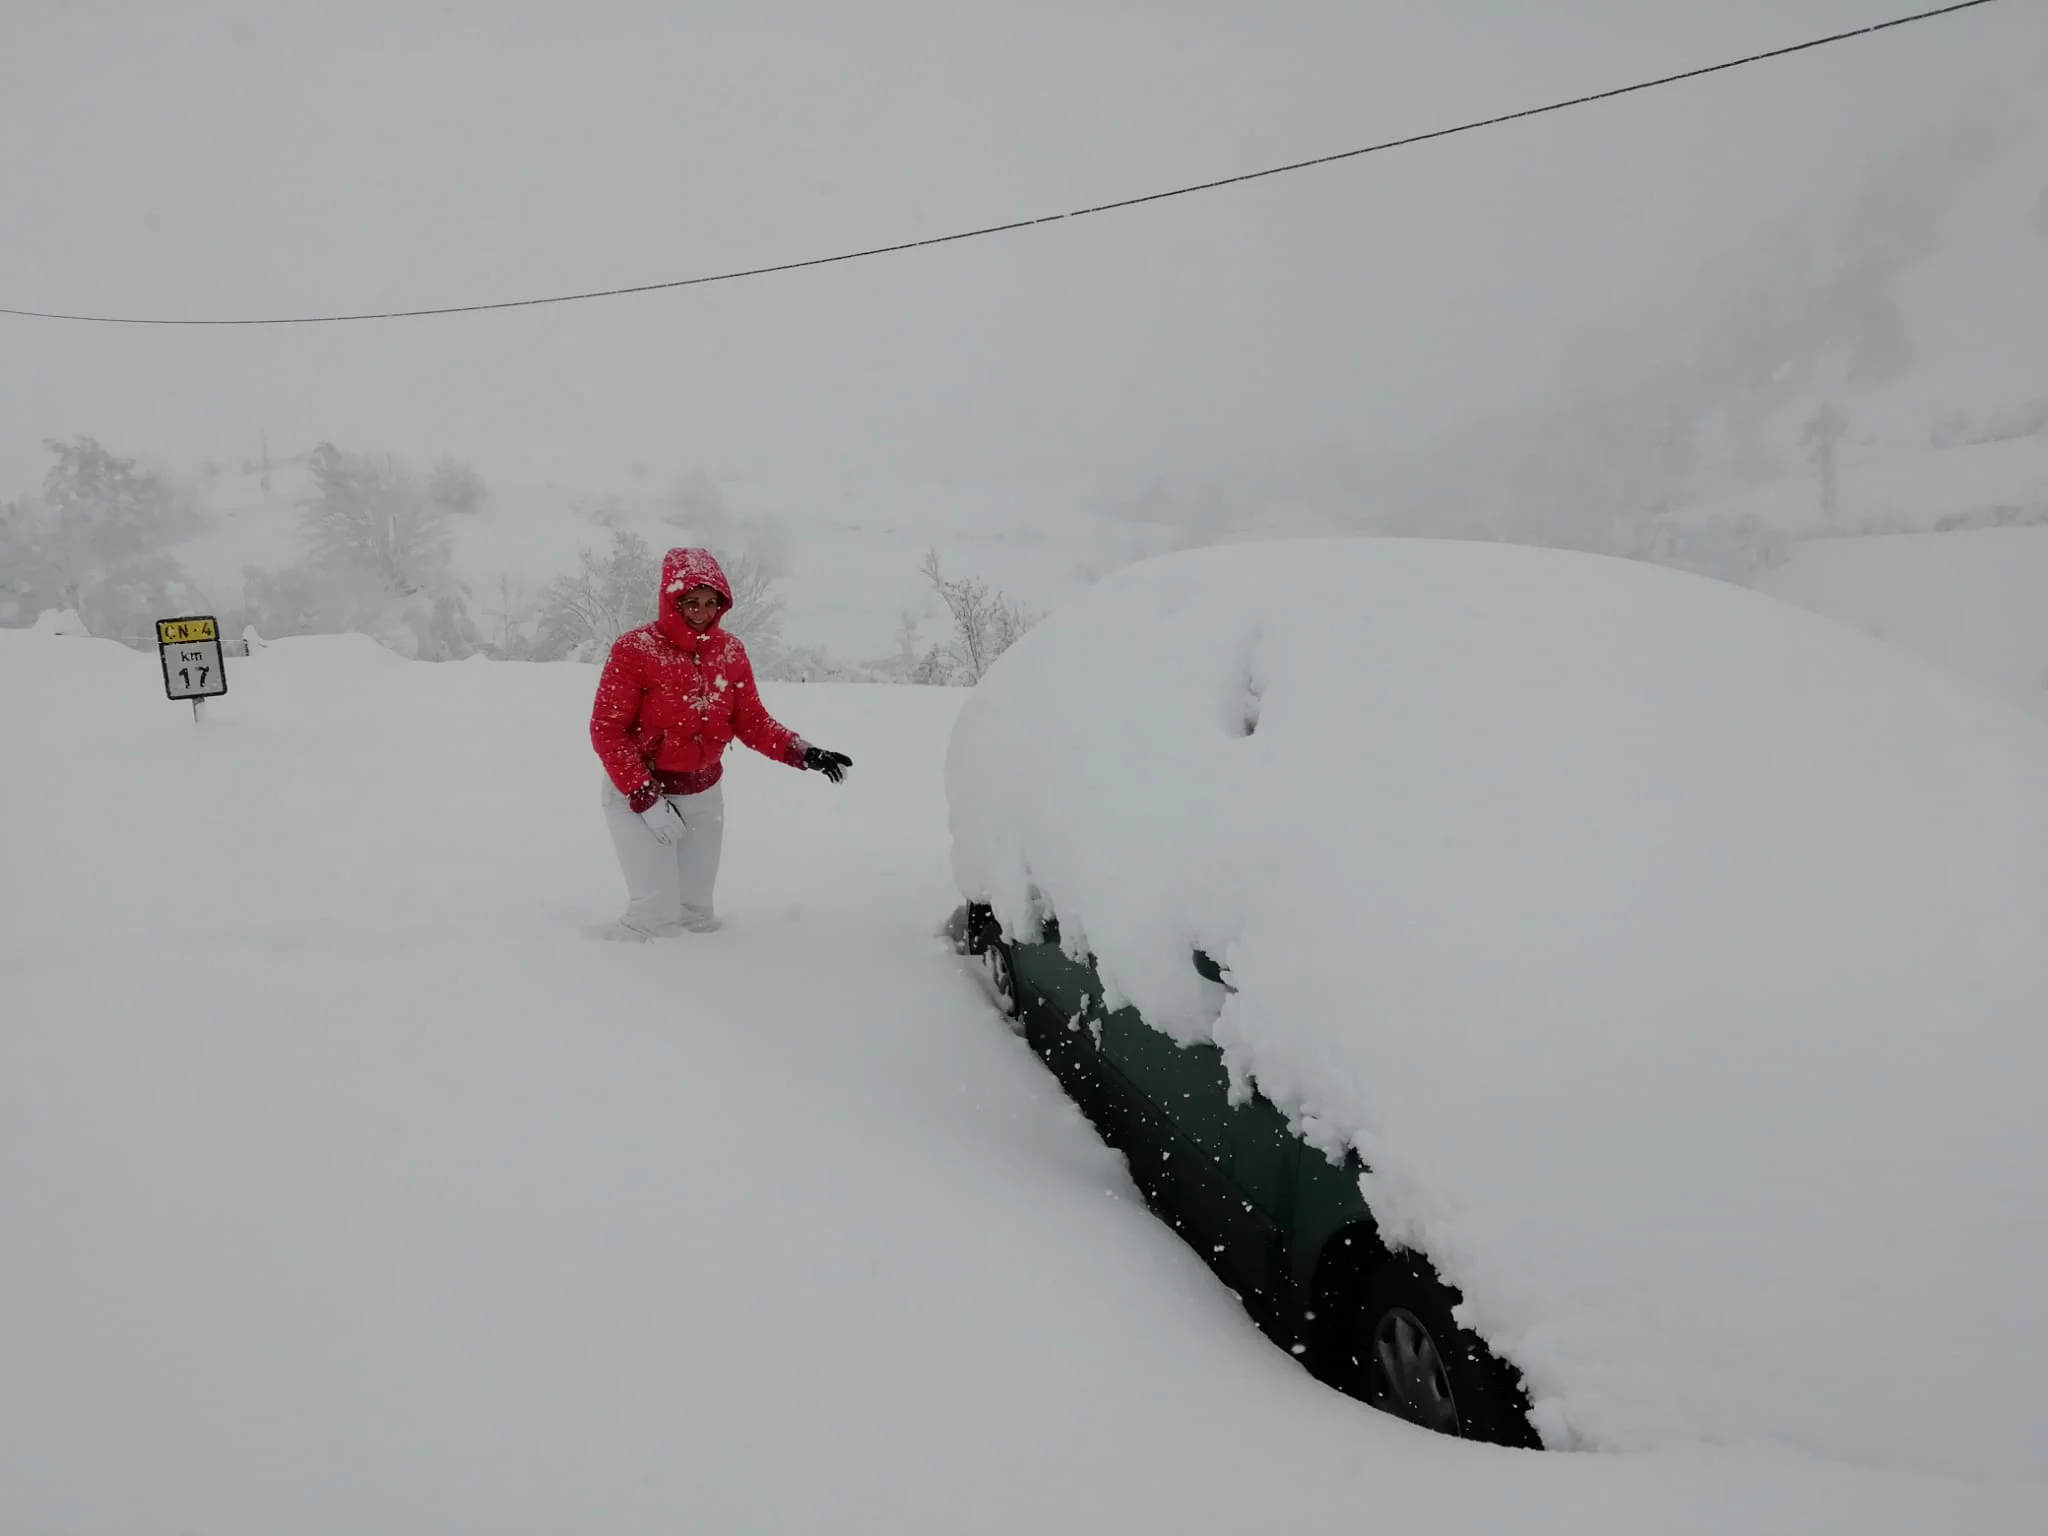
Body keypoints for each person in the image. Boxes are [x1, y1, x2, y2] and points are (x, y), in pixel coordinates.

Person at [588, 546, 852, 940]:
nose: (701, 611)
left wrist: (804, 752)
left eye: (711, 603)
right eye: (690, 601)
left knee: (695, 916)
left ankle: (700, 985)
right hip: (640, 795)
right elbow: (607, 729)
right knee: (655, 916)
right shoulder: (635, 650)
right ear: (670, 599)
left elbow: (752, 721)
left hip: (702, 796)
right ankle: (602, 974)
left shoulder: (730, 651)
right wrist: (644, 795)